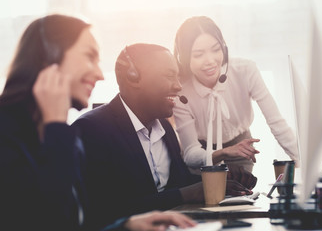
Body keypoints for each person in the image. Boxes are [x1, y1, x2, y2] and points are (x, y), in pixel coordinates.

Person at [0, 15, 195, 231]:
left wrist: (125, 226)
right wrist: (55, 128)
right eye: (89, 57)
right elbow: (50, 220)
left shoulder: (49, 132)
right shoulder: (12, 135)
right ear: (50, 58)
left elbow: (75, 222)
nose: (100, 74)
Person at [72, 43, 252, 230]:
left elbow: (178, 183)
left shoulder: (164, 126)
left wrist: (220, 180)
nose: (178, 86)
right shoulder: (91, 130)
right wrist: (186, 195)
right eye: (169, 76)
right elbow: (104, 210)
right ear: (133, 78)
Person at [173, 16, 299, 175]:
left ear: (224, 49)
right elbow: (190, 153)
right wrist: (223, 153)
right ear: (184, 58)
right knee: (209, 198)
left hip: (241, 147)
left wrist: (303, 161)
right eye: (198, 55)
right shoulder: (181, 93)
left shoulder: (245, 70)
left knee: (241, 196)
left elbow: (277, 123)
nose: (210, 61)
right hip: (202, 154)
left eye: (216, 49)